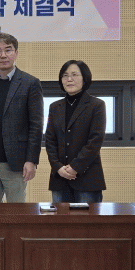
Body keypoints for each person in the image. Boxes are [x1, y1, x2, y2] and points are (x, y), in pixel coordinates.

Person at [0, 32, 43, 203]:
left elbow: (36, 125)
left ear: (16, 53)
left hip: (16, 163)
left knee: (17, 212)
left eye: (8, 50)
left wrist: (31, 160)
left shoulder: (30, 83)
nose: (3, 55)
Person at [45, 60, 106, 203]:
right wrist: (58, 167)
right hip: (59, 179)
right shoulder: (55, 107)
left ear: (85, 78)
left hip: (87, 178)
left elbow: (95, 141)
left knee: (88, 218)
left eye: (74, 75)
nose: (69, 79)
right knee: (60, 218)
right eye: (65, 75)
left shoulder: (96, 105)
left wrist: (75, 167)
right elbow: (50, 140)